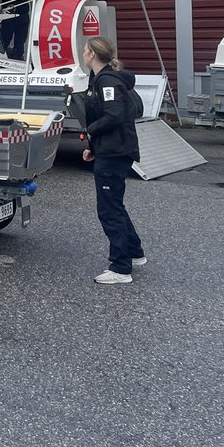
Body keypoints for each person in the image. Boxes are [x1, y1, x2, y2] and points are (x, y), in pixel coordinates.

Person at [81, 36, 145, 285]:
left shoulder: (107, 81)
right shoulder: (101, 79)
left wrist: (91, 132)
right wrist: (93, 148)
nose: (83, 54)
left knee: (109, 210)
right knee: (115, 205)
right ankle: (135, 253)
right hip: (110, 150)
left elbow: (114, 115)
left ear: (93, 55)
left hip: (115, 153)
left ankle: (120, 268)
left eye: (85, 51)